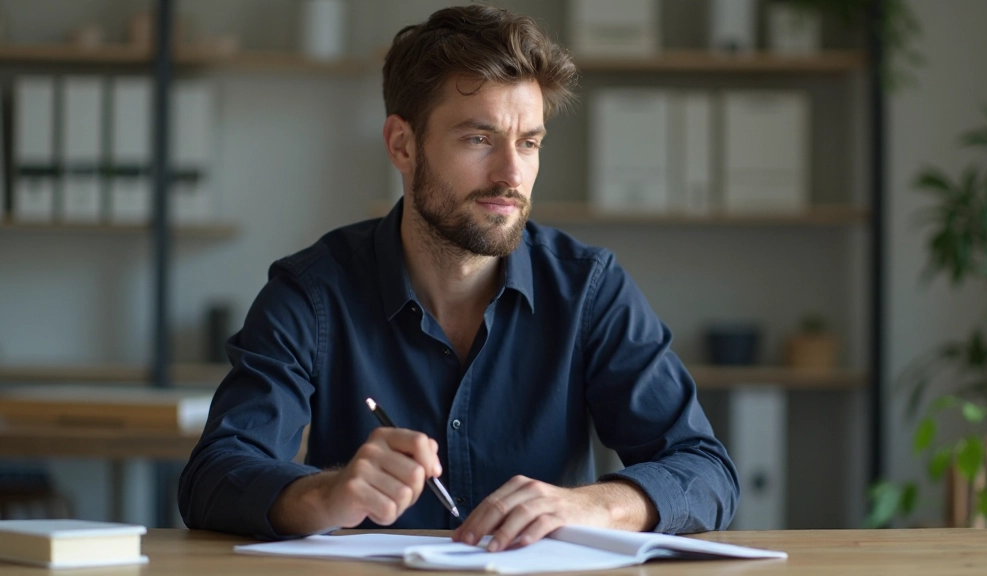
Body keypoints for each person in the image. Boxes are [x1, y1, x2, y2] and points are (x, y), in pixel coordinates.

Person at [178, 5, 738, 551]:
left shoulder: (589, 288)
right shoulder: (312, 294)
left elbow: (705, 469)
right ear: (402, 144)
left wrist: (593, 505)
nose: (511, 175)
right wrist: (324, 495)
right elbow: (213, 477)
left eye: (529, 142)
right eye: (479, 139)